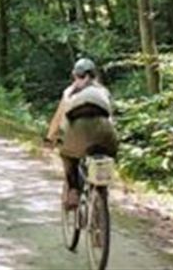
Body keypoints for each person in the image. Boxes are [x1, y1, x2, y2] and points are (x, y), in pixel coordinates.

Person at [45, 58, 118, 209]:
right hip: (105, 133)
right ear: (94, 75)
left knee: (67, 155)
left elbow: (58, 119)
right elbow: (111, 117)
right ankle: (101, 191)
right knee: (107, 153)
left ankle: (73, 190)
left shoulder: (69, 92)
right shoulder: (104, 91)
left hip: (77, 133)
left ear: (75, 75)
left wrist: (49, 139)